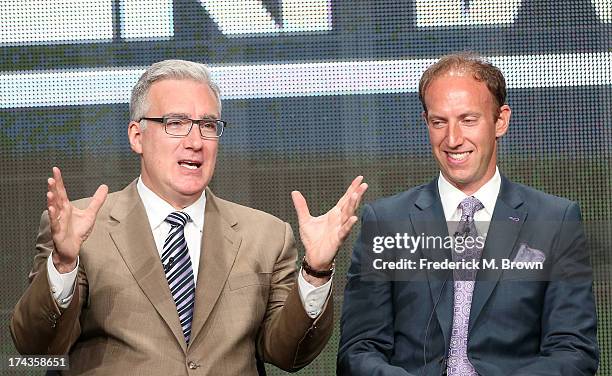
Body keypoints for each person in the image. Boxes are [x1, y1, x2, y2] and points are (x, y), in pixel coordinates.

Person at [10, 59, 368, 375]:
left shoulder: (267, 235)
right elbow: (39, 350)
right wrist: (63, 263)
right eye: (176, 123)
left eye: (208, 125)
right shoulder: (84, 228)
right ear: (137, 135)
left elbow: (288, 355)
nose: (196, 141)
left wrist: (316, 271)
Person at [338, 52, 598, 375]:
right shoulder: (386, 221)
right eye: (439, 122)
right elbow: (358, 351)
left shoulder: (555, 220)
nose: (453, 139)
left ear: (500, 121)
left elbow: (573, 353)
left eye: (468, 120)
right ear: (426, 123)